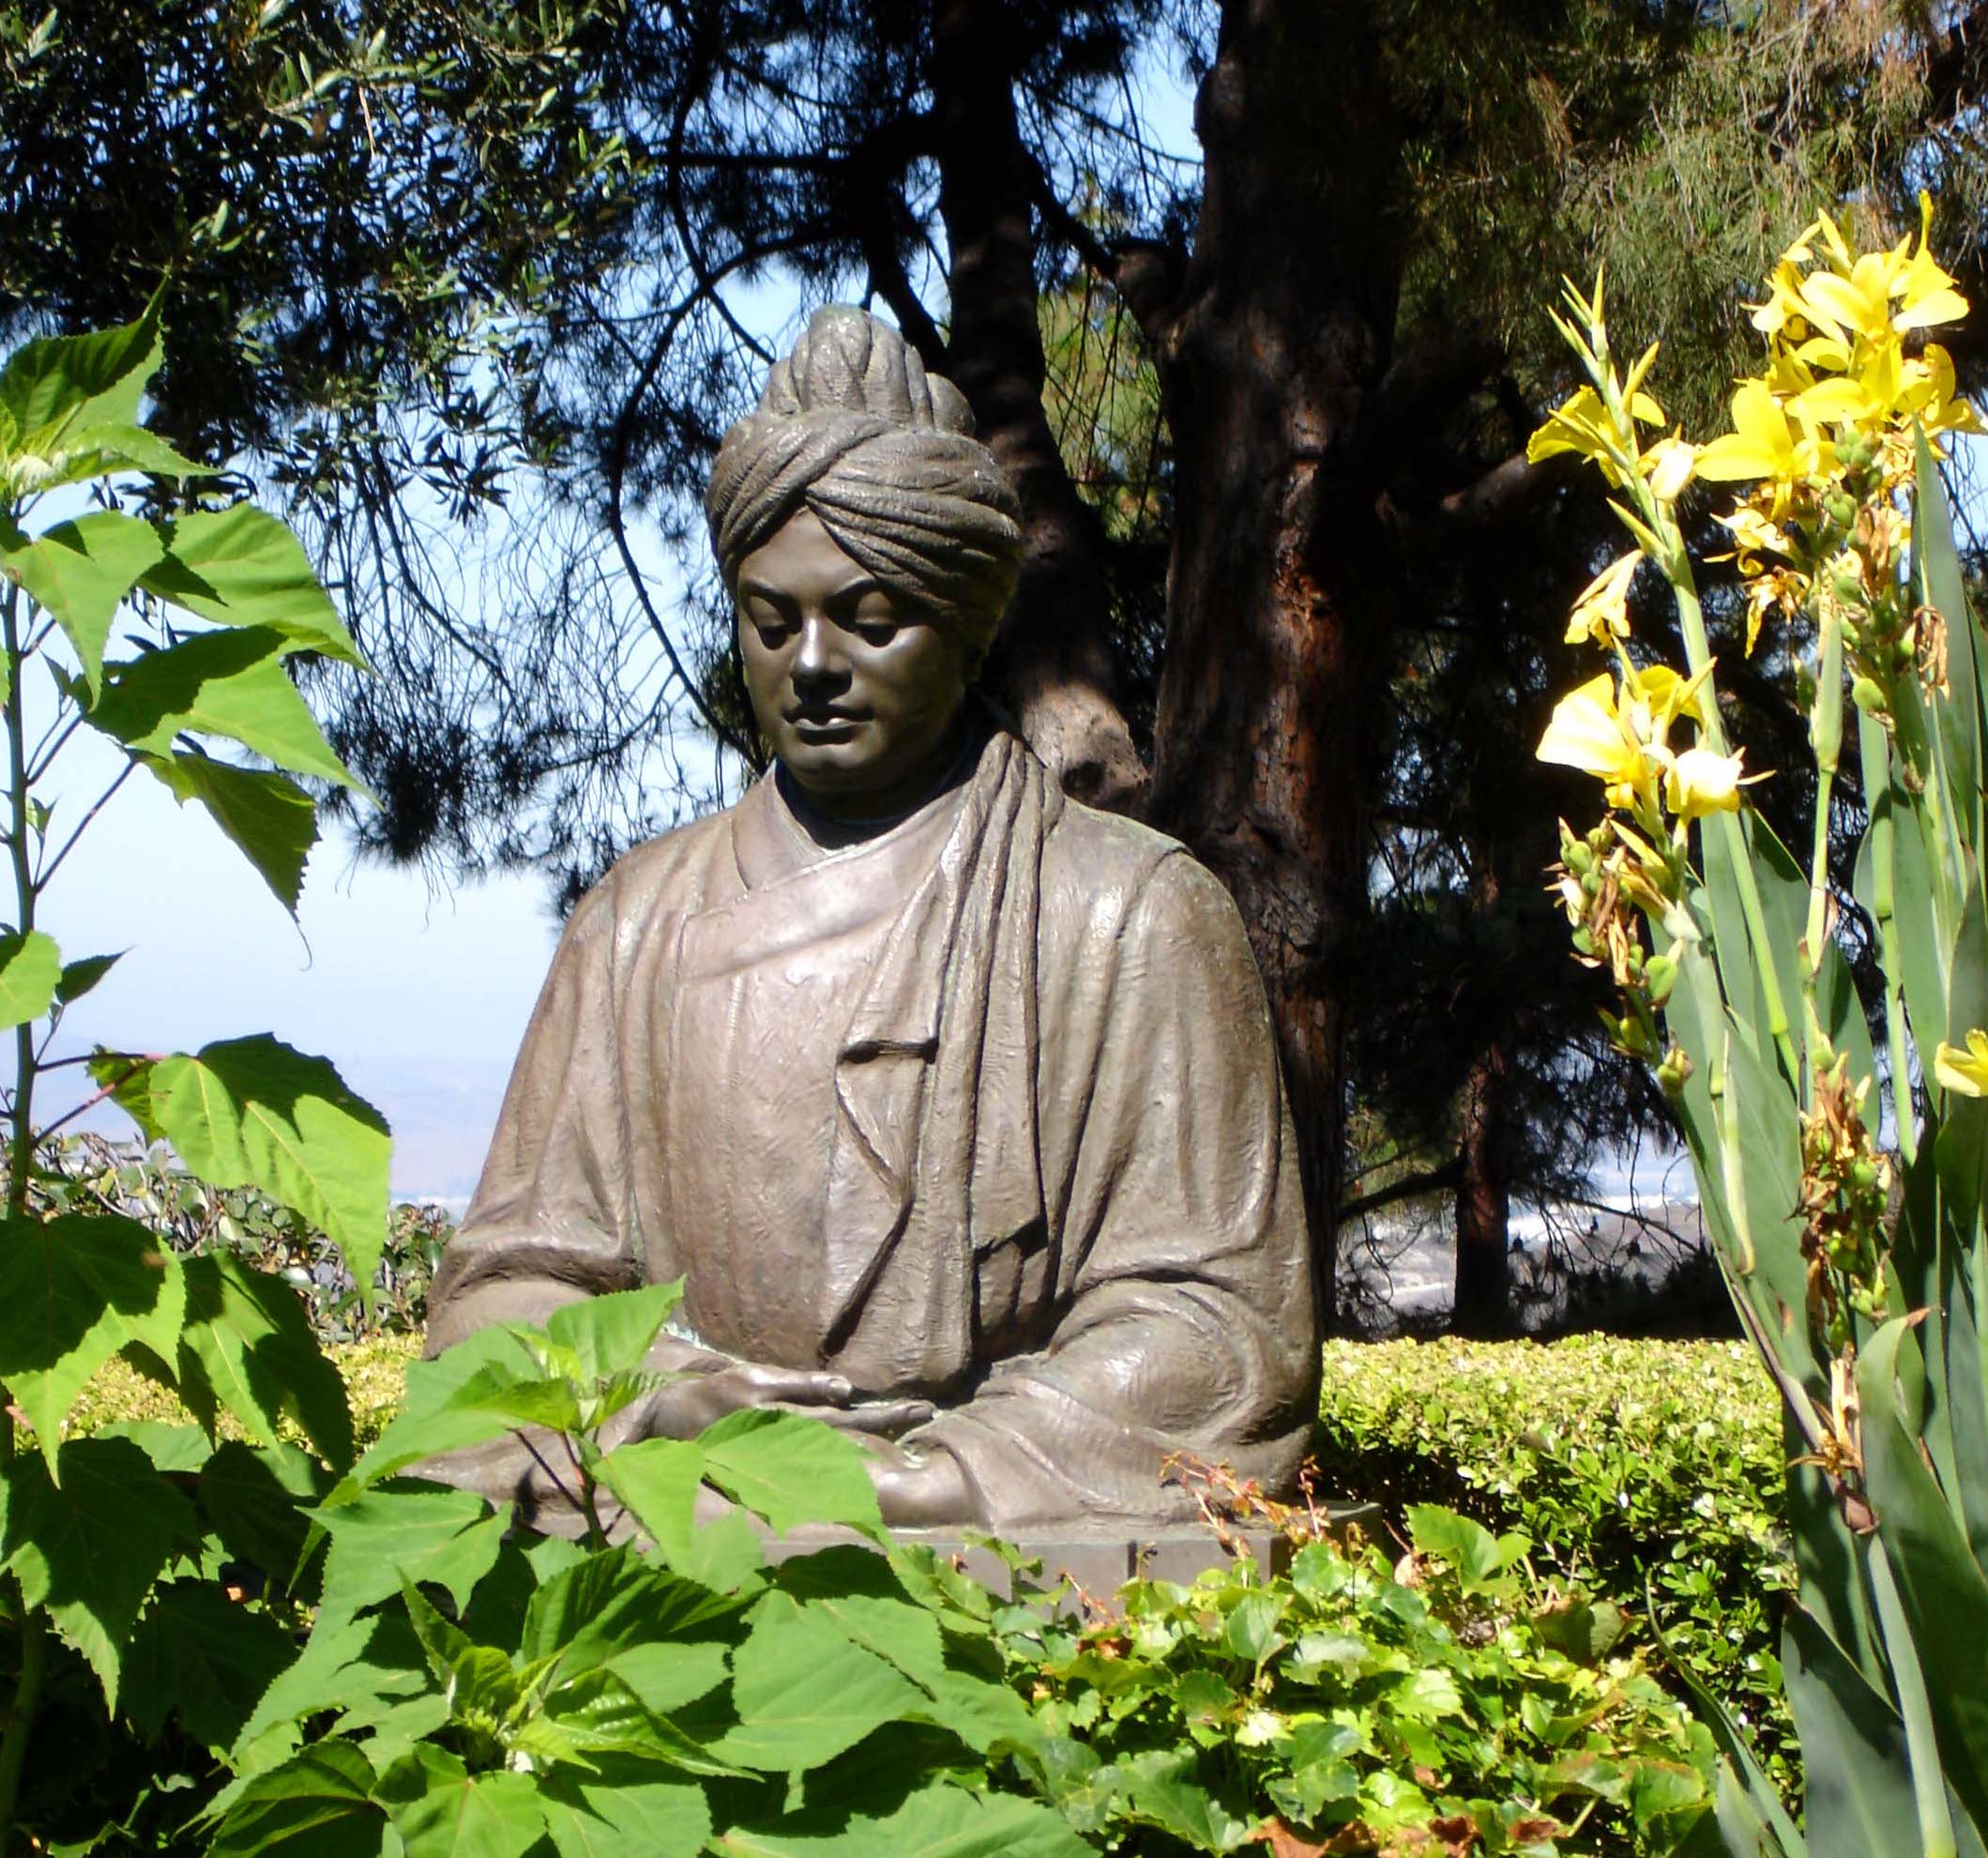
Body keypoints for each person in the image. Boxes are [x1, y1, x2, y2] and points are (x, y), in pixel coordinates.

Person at [424, 307, 1319, 1530]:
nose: (814, 667)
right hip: (685, 1493)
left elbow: (1223, 1332)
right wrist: (654, 1387)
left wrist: (933, 1474)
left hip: (982, 1510)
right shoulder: (634, 926)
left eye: (872, 618)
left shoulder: (1131, 915)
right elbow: (502, 1295)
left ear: (964, 624)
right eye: (773, 621)